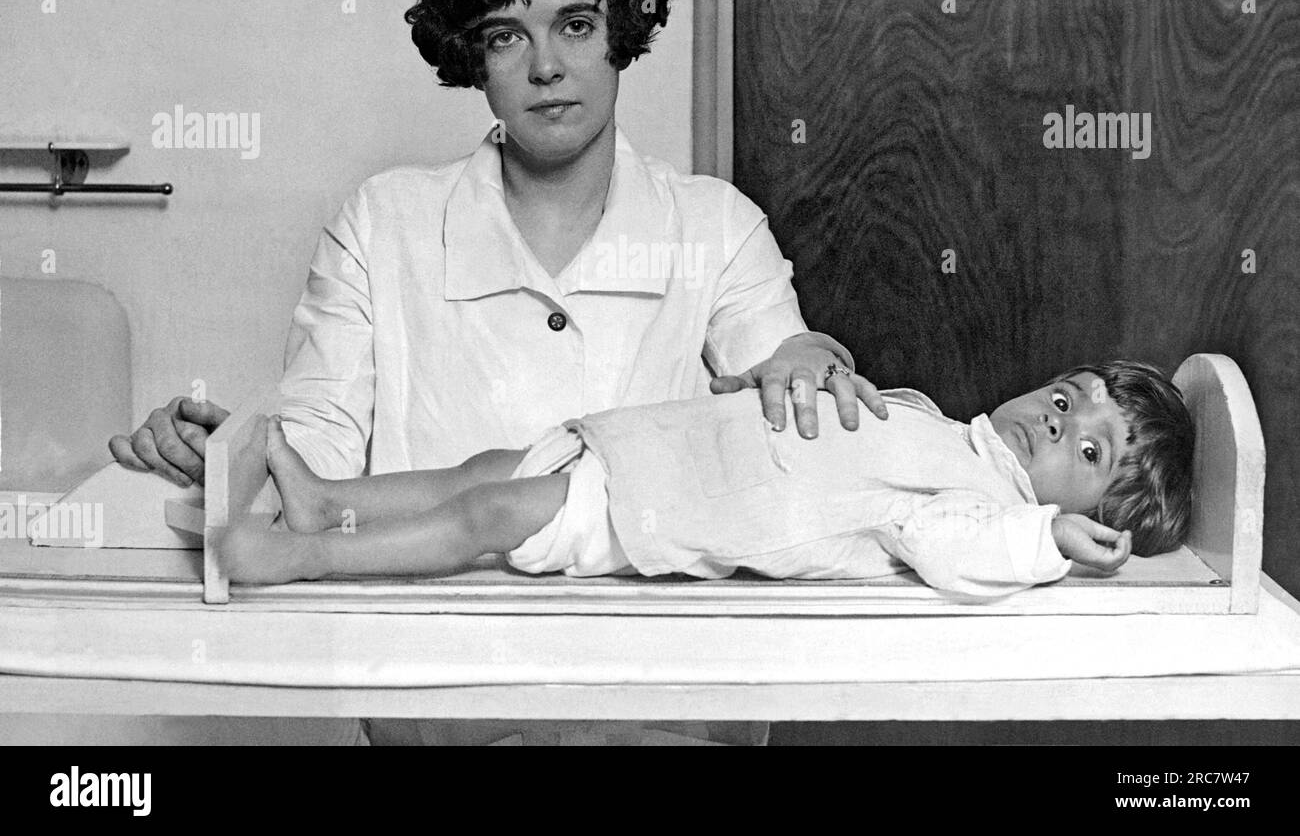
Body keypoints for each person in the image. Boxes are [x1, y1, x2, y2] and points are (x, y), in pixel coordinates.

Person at [109, 0, 882, 745]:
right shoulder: (384, 221)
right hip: (442, 692)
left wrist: (805, 360)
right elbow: (316, 439)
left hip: (664, 699)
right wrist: (232, 455)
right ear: (472, 59)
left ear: (620, 37)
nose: (545, 66)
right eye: (506, 36)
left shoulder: (715, 225)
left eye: (576, 24)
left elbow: (782, 395)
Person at [220, 360, 1195, 601]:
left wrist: (1043, 541)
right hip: (655, 452)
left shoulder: (983, 507)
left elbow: (953, 547)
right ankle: (330, 502)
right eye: (1068, 399)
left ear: (1088, 513)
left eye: (1091, 452)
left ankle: (304, 556)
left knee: (487, 511)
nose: (1060, 422)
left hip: (657, 511)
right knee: (486, 468)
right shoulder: (944, 425)